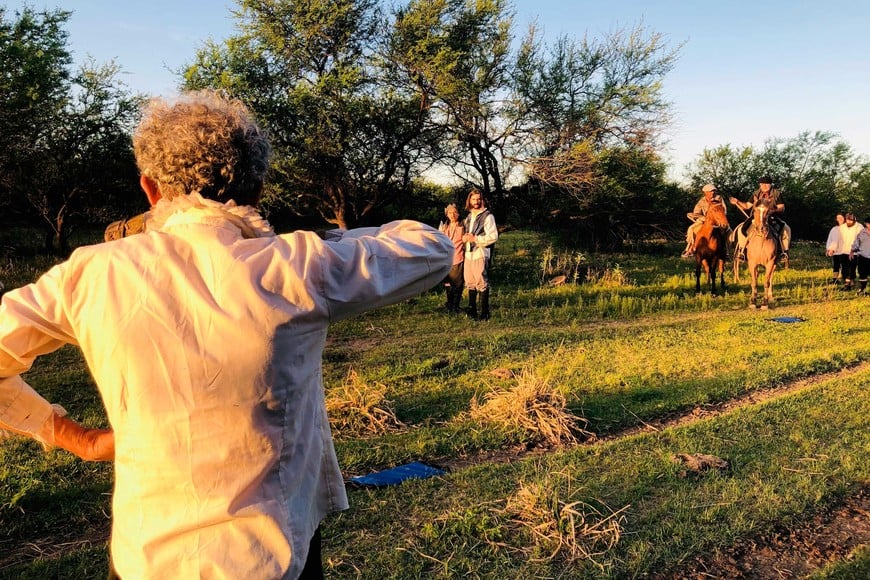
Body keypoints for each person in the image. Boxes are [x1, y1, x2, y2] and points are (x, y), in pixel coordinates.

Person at [0, 90, 453, 579]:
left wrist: (71, 436)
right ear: (258, 191)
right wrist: (320, 242)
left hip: (143, 557)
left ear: (150, 190)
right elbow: (431, 246)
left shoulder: (90, 272)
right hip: (274, 557)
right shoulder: (298, 263)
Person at [729, 175, 791, 262]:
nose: (764, 186)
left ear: (770, 184)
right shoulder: (755, 194)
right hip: (756, 217)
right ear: (760, 185)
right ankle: (742, 252)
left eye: (767, 184)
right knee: (742, 228)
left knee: (785, 229)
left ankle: (784, 252)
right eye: (762, 184)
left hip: (772, 216)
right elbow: (747, 206)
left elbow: (781, 207)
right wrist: (737, 202)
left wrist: (772, 211)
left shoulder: (777, 193)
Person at [462, 188, 498, 320]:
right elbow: (467, 234)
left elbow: (493, 236)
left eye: (478, 199)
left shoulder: (488, 216)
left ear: (482, 200)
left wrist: (475, 239)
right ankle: (472, 310)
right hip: (468, 253)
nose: (476, 202)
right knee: (470, 282)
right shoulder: (469, 216)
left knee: (481, 282)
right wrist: (465, 238)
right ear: (469, 200)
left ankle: (484, 312)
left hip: (480, 253)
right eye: (473, 199)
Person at [682, 183, 727, 258]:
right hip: (704, 221)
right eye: (711, 191)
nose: (713, 192)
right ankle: (690, 249)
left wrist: (719, 218)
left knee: (729, 232)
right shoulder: (701, 201)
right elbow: (696, 212)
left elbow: (724, 210)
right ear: (705, 192)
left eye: (714, 191)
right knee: (691, 229)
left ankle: (726, 251)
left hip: (718, 220)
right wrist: (699, 217)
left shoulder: (719, 198)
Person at [439, 203, 465, 313]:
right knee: (447, 283)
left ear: (458, 214)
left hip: (458, 258)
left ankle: (455, 306)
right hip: (445, 260)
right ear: (446, 214)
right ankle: (449, 305)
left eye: (455, 212)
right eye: (450, 212)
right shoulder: (443, 226)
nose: (452, 215)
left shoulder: (463, 226)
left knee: (457, 284)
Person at [837, 212, 864, 290]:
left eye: (851, 220)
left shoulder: (859, 227)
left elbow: (860, 240)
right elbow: (839, 239)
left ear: (854, 219)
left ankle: (848, 283)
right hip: (843, 250)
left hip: (854, 252)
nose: (849, 222)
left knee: (851, 267)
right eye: (847, 220)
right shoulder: (842, 227)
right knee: (844, 267)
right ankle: (848, 281)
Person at [850, 216, 870, 295]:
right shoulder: (862, 232)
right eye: (868, 224)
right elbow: (856, 243)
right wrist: (852, 251)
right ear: (865, 224)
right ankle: (862, 289)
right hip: (863, 256)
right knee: (862, 273)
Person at [825, 213, 846, 284]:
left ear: (844, 218)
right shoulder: (834, 229)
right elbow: (830, 239)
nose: (840, 219)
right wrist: (829, 249)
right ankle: (835, 279)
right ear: (836, 219)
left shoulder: (847, 228)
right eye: (838, 218)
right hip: (835, 251)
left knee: (844, 266)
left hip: (844, 250)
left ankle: (846, 279)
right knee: (836, 265)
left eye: (841, 218)